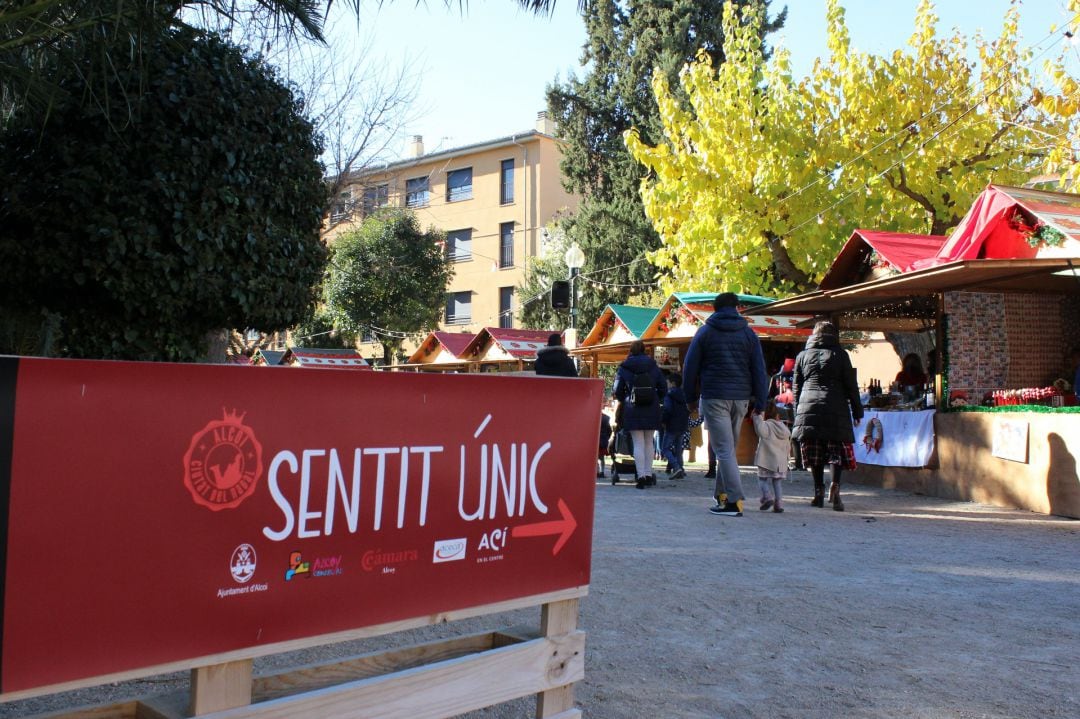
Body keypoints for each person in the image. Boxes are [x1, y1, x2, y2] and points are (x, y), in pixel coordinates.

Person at [683, 292, 769, 517]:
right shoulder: (749, 334)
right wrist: (761, 402)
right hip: (740, 398)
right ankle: (721, 496)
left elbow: (690, 368)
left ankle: (734, 500)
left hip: (714, 396)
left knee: (723, 449)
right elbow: (759, 370)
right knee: (728, 449)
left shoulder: (705, 332)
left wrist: (690, 399)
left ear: (714, 309)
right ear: (737, 308)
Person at [791, 321, 863, 511]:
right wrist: (857, 411)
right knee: (835, 453)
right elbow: (851, 385)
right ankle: (835, 487)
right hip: (836, 407)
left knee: (815, 453)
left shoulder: (802, 355)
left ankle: (818, 492)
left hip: (809, 407)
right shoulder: (840, 355)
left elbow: (796, 387)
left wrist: (797, 410)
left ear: (814, 335)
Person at [614, 340, 667, 489]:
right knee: (649, 441)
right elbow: (663, 387)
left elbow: (618, 389)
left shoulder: (624, 367)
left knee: (638, 442)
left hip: (633, 407)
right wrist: (658, 398)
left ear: (631, 350)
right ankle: (649, 474)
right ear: (645, 350)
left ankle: (641, 475)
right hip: (651, 406)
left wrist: (623, 399)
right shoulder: (653, 366)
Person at [752, 402, 791, 513]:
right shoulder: (784, 429)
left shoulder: (766, 426)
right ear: (777, 415)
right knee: (777, 482)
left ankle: (767, 497)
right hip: (780, 463)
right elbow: (788, 447)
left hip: (766, 461)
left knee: (762, 479)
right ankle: (778, 504)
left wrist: (756, 416)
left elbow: (759, 429)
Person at [660, 373, 690, 479]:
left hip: (672, 425)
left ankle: (677, 467)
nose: (666, 384)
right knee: (678, 449)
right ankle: (681, 469)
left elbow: (667, 409)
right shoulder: (683, 395)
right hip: (682, 425)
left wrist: (663, 421)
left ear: (672, 383)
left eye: (667, 382)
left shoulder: (669, 395)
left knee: (665, 449)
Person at [598, 409, 613, 478]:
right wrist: (606, 437)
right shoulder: (605, 418)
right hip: (603, 440)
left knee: (594, 458)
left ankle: (596, 471)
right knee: (601, 458)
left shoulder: (591, 417)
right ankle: (602, 472)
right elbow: (609, 430)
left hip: (594, 441)